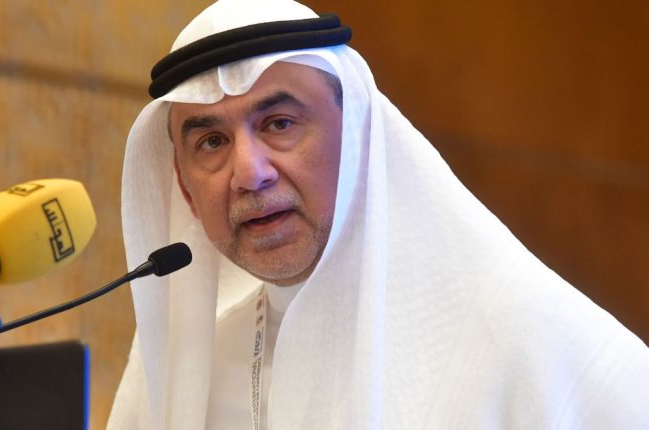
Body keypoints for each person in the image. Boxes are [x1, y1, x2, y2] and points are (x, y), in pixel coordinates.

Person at [108, 0, 649, 428]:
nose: (250, 173)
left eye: (279, 124)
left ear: (359, 135)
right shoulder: (193, 361)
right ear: (184, 187)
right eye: (211, 142)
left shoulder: (527, 339)